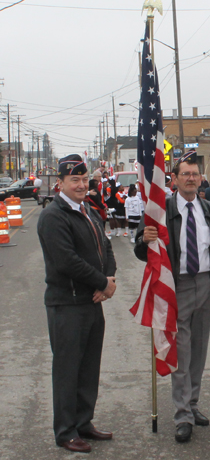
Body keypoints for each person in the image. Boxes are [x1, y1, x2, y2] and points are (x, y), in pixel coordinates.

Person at [134, 151, 210, 444]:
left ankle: (193, 404)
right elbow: (141, 249)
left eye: (194, 174)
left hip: (205, 284)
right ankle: (182, 415)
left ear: (200, 178)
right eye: (185, 174)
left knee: (199, 350)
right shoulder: (159, 209)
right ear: (173, 179)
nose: (191, 178)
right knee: (181, 352)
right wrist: (145, 239)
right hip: (176, 286)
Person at [37, 154, 117, 453]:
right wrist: (101, 282)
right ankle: (66, 431)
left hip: (91, 303)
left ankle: (84, 422)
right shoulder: (53, 216)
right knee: (68, 371)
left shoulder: (88, 211)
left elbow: (105, 245)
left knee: (88, 369)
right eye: (75, 180)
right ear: (60, 184)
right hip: (66, 305)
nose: (82, 185)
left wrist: (109, 276)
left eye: (84, 179)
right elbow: (66, 261)